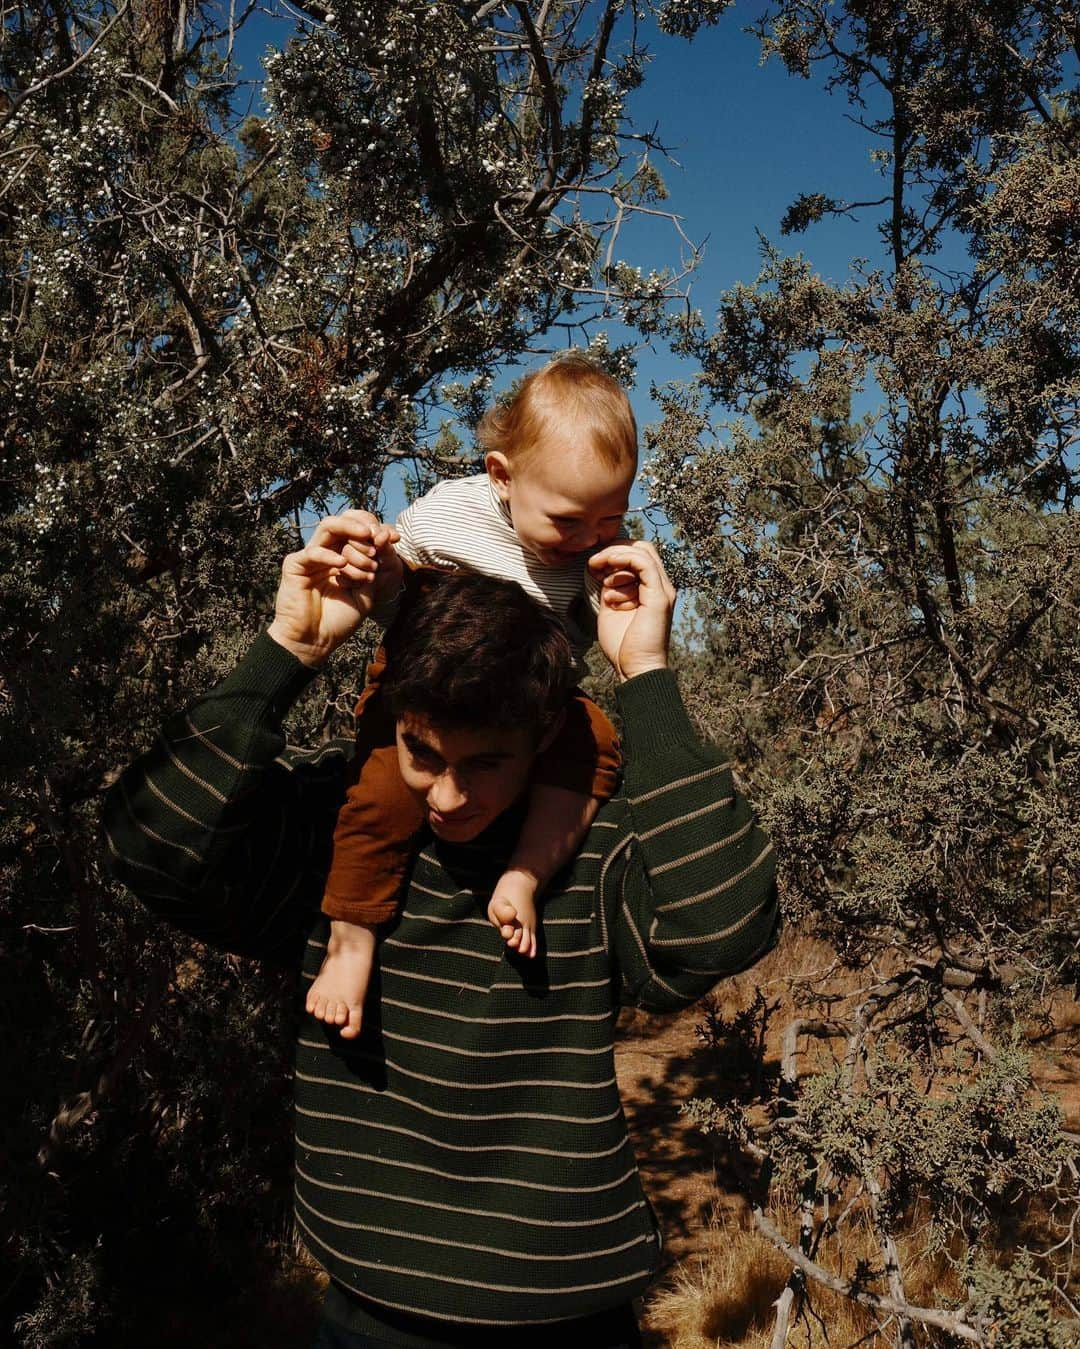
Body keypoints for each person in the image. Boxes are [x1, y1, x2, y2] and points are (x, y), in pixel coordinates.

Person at [102, 514, 779, 1347]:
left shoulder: (592, 852)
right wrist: (287, 648)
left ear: (545, 739)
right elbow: (152, 844)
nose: (448, 796)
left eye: (487, 762)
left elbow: (724, 923)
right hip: (367, 1315)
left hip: (566, 1318)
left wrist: (645, 676)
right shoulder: (341, 831)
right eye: (422, 754)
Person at [308, 353, 638, 1038]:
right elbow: (398, 589)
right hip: (429, 683)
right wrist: (376, 561)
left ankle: (524, 874)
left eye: (611, 518)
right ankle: (352, 934)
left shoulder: (598, 552)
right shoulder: (452, 512)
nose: (588, 539)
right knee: (381, 791)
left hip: (527, 694)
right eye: (570, 521)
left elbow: (595, 633)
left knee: (595, 744)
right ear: (502, 477)